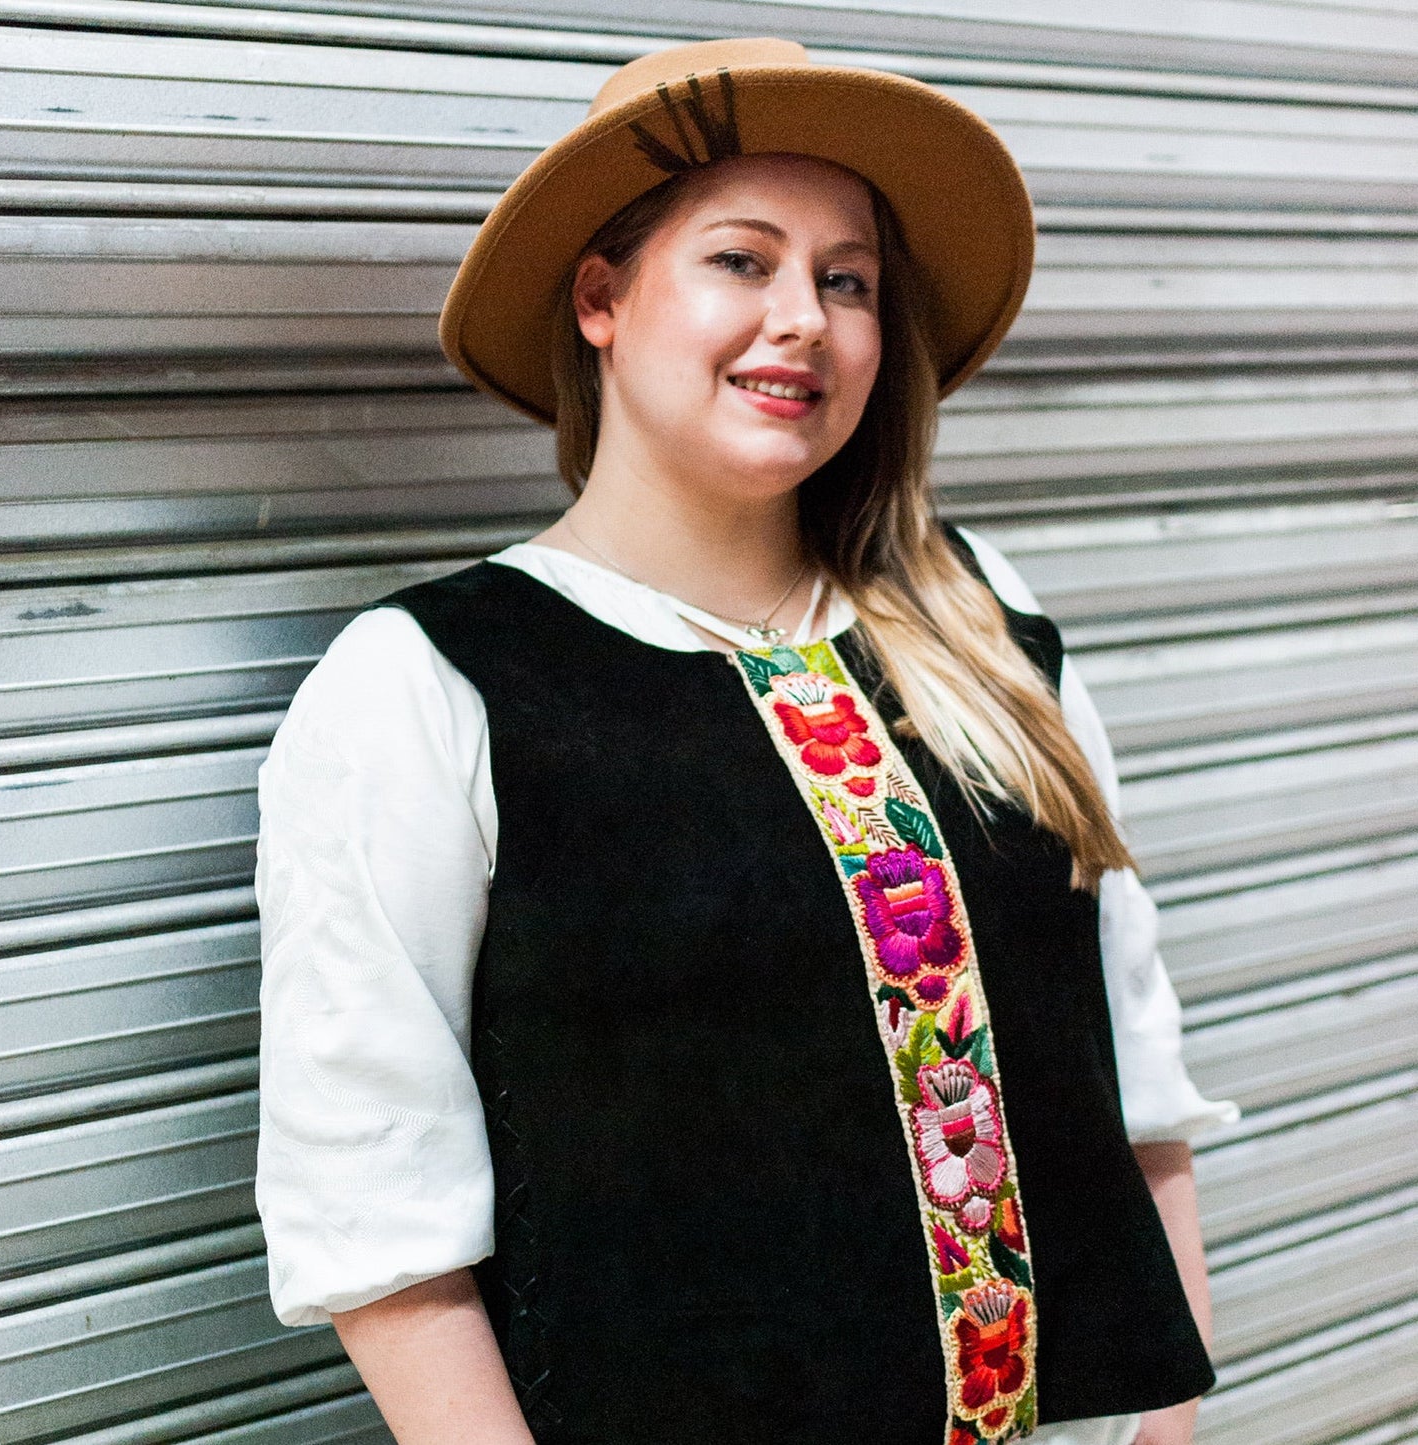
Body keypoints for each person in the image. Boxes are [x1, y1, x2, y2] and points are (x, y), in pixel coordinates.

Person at [254, 36, 1238, 1445]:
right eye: (741, 260)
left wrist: (1171, 1428)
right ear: (599, 296)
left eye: (845, 280)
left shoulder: (980, 620)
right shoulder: (429, 688)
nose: (804, 319)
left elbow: (1132, 1078)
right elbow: (377, 1216)